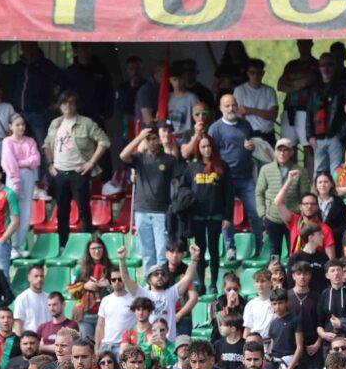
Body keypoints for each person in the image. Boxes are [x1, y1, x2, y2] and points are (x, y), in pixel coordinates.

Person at [44, 90, 110, 247]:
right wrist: (50, 164)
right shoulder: (55, 123)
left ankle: (87, 246)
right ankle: (63, 246)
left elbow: (104, 141)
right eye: (64, 103)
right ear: (59, 105)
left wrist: (91, 162)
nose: (67, 106)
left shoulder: (86, 123)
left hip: (78, 172)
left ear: (76, 105)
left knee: (83, 211)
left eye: (71, 102)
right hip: (59, 173)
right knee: (62, 212)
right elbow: (46, 144)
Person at [209, 92, 261, 257]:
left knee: (255, 212)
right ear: (220, 108)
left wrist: (251, 147)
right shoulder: (215, 129)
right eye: (227, 106)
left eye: (233, 105)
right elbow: (211, 154)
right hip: (226, 179)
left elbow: (253, 146)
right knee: (227, 216)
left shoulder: (246, 125)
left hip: (246, 178)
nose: (231, 108)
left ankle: (260, 245)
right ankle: (230, 248)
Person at [120, 126, 175, 275]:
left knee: (162, 253)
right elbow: (123, 155)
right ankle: (149, 283)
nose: (151, 142)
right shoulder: (139, 158)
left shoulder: (169, 159)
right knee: (147, 254)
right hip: (141, 210)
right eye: (148, 139)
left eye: (154, 138)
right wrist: (139, 137)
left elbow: (176, 181)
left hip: (161, 211)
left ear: (159, 140)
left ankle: (162, 282)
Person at [183, 133, 232, 289]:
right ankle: (201, 284)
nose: (206, 149)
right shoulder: (192, 167)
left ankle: (213, 284)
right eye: (203, 146)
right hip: (197, 215)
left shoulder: (222, 166)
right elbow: (183, 187)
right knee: (200, 250)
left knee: (213, 249)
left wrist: (228, 217)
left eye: (209, 146)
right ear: (198, 148)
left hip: (216, 215)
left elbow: (229, 193)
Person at [257, 139, 308, 258]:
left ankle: (292, 270)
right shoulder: (266, 169)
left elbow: (305, 195)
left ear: (291, 153)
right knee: (274, 251)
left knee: (294, 249)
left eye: (286, 150)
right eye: (279, 150)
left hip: (293, 218)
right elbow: (259, 193)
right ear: (275, 152)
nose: (282, 153)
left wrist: (301, 215)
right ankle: (275, 269)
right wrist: (262, 214)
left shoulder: (300, 170)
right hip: (272, 217)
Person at [1, 114, 42, 256]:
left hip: (28, 176)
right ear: (10, 127)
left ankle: (19, 245)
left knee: (26, 212)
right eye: (17, 124)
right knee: (14, 211)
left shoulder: (30, 141)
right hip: (14, 178)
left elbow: (36, 159)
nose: (21, 127)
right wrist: (16, 183)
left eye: (23, 124)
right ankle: (11, 245)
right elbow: (9, 163)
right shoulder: (7, 141)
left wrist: (20, 163)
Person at [234, 59, 278, 144]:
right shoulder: (239, 90)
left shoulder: (270, 90)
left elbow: (273, 115)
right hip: (250, 134)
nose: (255, 76)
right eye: (252, 73)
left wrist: (250, 110)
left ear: (263, 73)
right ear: (247, 73)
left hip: (269, 134)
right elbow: (238, 115)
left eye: (259, 73)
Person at [12, 264, 50, 335]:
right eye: (36, 276)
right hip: (29, 339)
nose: (39, 279)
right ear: (29, 278)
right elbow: (18, 325)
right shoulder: (21, 298)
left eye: (41, 276)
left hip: (46, 339)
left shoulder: (49, 298)